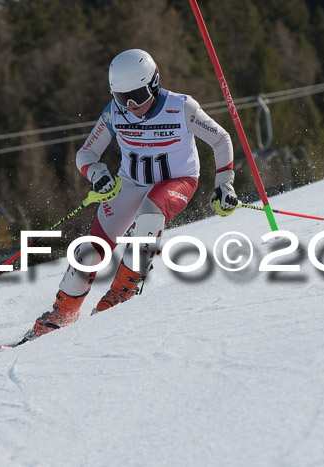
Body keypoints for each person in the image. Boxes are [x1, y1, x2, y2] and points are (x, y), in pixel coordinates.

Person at [20, 49, 238, 344]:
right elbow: (86, 153)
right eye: (123, 97)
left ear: (155, 83)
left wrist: (225, 183)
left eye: (137, 94)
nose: (131, 105)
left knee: (149, 215)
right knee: (90, 249)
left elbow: (220, 138)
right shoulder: (114, 112)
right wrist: (97, 174)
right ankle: (62, 313)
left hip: (178, 180)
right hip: (131, 182)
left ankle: (121, 292)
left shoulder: (181, 107)